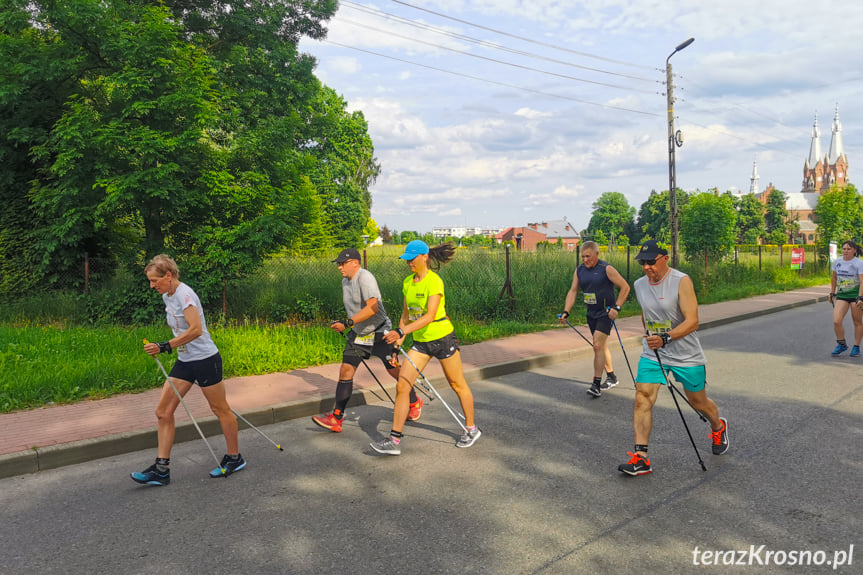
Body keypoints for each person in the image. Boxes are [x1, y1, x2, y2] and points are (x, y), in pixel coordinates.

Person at [131, 254, 244, 486]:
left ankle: (235, 457)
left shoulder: (185, 295)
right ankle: (162, 469)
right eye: (150, 281)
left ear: (169, 275)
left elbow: (195, 330)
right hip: (185, 360)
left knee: (219, 409)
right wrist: (169, 347)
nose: (152, 286)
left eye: (155, 281)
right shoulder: (168, 296)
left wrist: (164, 346)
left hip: (205, 359)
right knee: (163, 412)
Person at [619, 240, 729, 476]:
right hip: (654, 353)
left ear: (665, 258)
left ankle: (718, 426)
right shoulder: (639, 285)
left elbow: (693, 321)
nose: (647, 267)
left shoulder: (681, 281)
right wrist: (651, 338)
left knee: (698, 403)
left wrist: (666, 338)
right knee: (642, 398)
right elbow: (646, 314)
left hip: (685, 354)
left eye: (651, 261)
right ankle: (641, 458)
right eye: (642, 262)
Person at [372, 240, 480, 455]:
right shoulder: (407, 283)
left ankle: (471, 428)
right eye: (406, 259)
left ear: (425, 257)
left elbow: (430, 315)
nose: (409, 262)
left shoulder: (434, 282)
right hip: (420, 342)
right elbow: (405, 315)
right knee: (403, 385)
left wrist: (403, 332)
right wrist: (397, 346)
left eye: (412, 258)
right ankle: (394, 440)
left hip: (442, 339)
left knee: (457, 384)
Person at [312, 248, 422, 433]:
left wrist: (346, 323)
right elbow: (356, 308)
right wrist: (349, 324)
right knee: (346, 370)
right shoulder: (344, 282)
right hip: (359, 333)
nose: (339, 267)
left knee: (394, 370)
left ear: (355, 262)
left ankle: (413, 401)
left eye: (343, 263)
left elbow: (372, 308)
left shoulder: (366, 278)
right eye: (338, 264)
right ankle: (336, 417)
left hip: (380, 332)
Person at [559, 240, 631, 397]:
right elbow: (572, 291)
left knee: (597, 345)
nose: (585, 260)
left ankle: (596, 384)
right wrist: (566, 311)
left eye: (588, 256)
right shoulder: (579, 271)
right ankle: (611, 376)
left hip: (606, 313)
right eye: (583, 256)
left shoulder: (606, 269)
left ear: (597, 254)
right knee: (601, 346)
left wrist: (617, 307)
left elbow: (625, 287)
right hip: (591, 313)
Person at [828, 240, 863, 357]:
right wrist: (832, 293)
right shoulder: (837, 262)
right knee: (836, 321)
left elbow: (862, 281)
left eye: (848, 249)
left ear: (854, 251)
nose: (845, 251)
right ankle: (842, 344)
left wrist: (861, 297)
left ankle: (856, 347)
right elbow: (834, 278)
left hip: (855, 296)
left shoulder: (859, 263)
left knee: (857, 322)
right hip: (842, 295)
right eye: (844, 249)